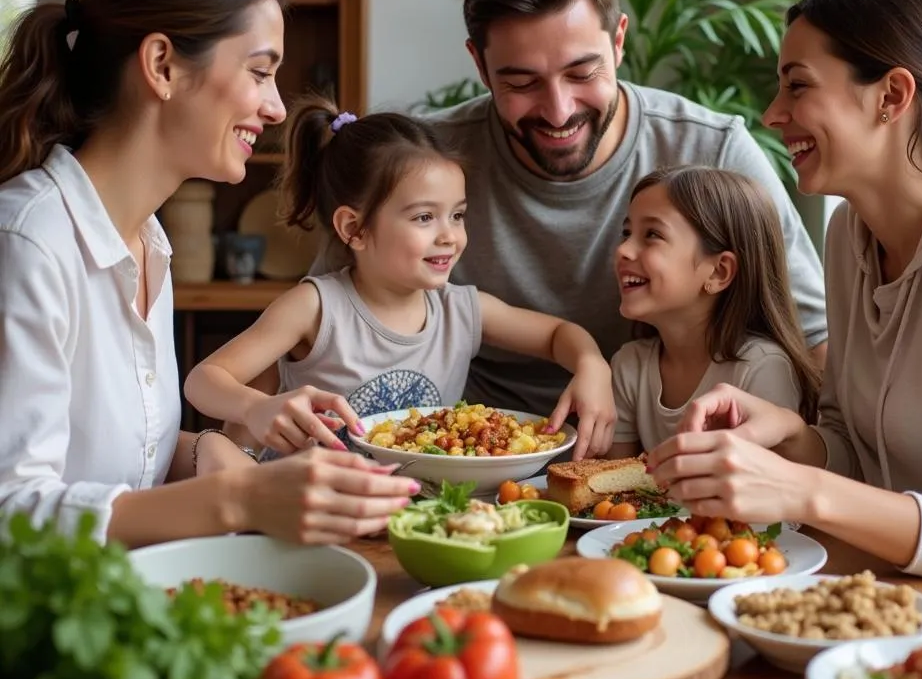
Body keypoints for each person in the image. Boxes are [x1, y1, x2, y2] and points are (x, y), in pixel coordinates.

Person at [0, 0, 418, 548]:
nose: (277, 108)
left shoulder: (149, 245)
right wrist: (238, 497)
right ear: (163, 65)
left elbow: (121, 462)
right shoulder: (27, 243)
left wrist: (222, 447)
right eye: (259, 71)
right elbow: (14, 511)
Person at [645, 0, 922, 630]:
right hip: (892, 594)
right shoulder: (852, 231)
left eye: (798, 86)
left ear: (891, 95)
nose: (772, 115)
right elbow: (856, 445)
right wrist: (791, 437)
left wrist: (803, 489)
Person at [413, 0, 828, 416]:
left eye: (582, 74)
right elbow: (339, 312)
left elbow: (813, 335)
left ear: (619, 42)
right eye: (522, 82)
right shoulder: (425, 161)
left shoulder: (712, 149)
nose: (558, 111)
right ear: (480, 66)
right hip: (465, 448)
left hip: (662, 449)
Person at [184, 99, 617, 459]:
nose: (449, 235)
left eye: (458, 215)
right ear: (354, 229)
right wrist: (256, 408)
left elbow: (559, 333)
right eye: (425, 217)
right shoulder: (316, 307)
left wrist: (591, 364)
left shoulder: (460, 309)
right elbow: (204, 380)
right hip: (311, 509)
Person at [608, 166, 819, 458]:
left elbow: (768, 490)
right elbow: (609, 490)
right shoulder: (629, 365)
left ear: (719, 272)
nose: (623, 250)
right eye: (627, 233)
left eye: (652, 234)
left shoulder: (762, 367)